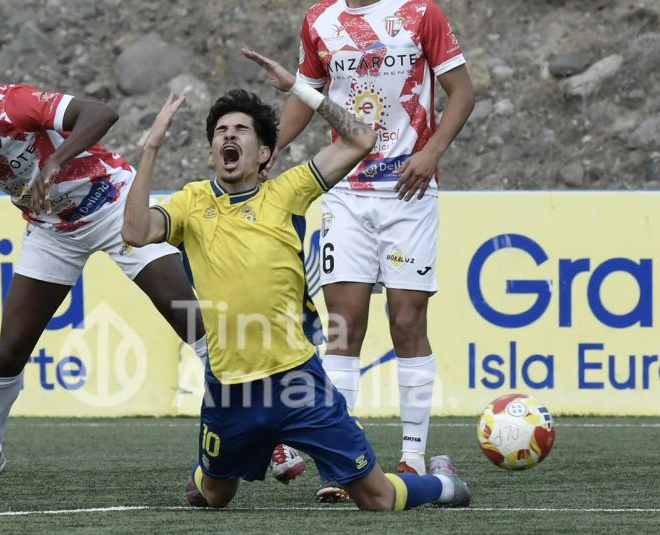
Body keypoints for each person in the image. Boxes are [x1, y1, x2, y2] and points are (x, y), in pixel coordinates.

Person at [121, 47, 471, 511]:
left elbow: (361, 138)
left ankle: (444, 484)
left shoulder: (287, 192)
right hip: (230, 390)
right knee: (213, 496)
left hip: (298, 384)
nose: (229, 137)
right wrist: (150, 149)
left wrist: (299, 89)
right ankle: (223, 465)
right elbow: (134, 231)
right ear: (211, 154)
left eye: (241, 130)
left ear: (264, 152)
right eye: (221, 132)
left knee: (379, 499)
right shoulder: (191, 203)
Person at [0, 43, 207, 507]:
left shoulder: (14, 105)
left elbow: (101, 113)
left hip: (111, 205)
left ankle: (259, 432)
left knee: (193, 323)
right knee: (8, 356)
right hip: (52, 230)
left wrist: (56, 158)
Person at [268, 0, 475, 501]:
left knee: (406, 321)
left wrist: (431, 152)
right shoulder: (319, 19)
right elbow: (307, 95)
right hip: (346, 191)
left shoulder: (420, 12)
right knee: (345, 325)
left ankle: (412, 456)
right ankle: (343, 466)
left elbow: (463, 92)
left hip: (409, 192)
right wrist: (269, 148)